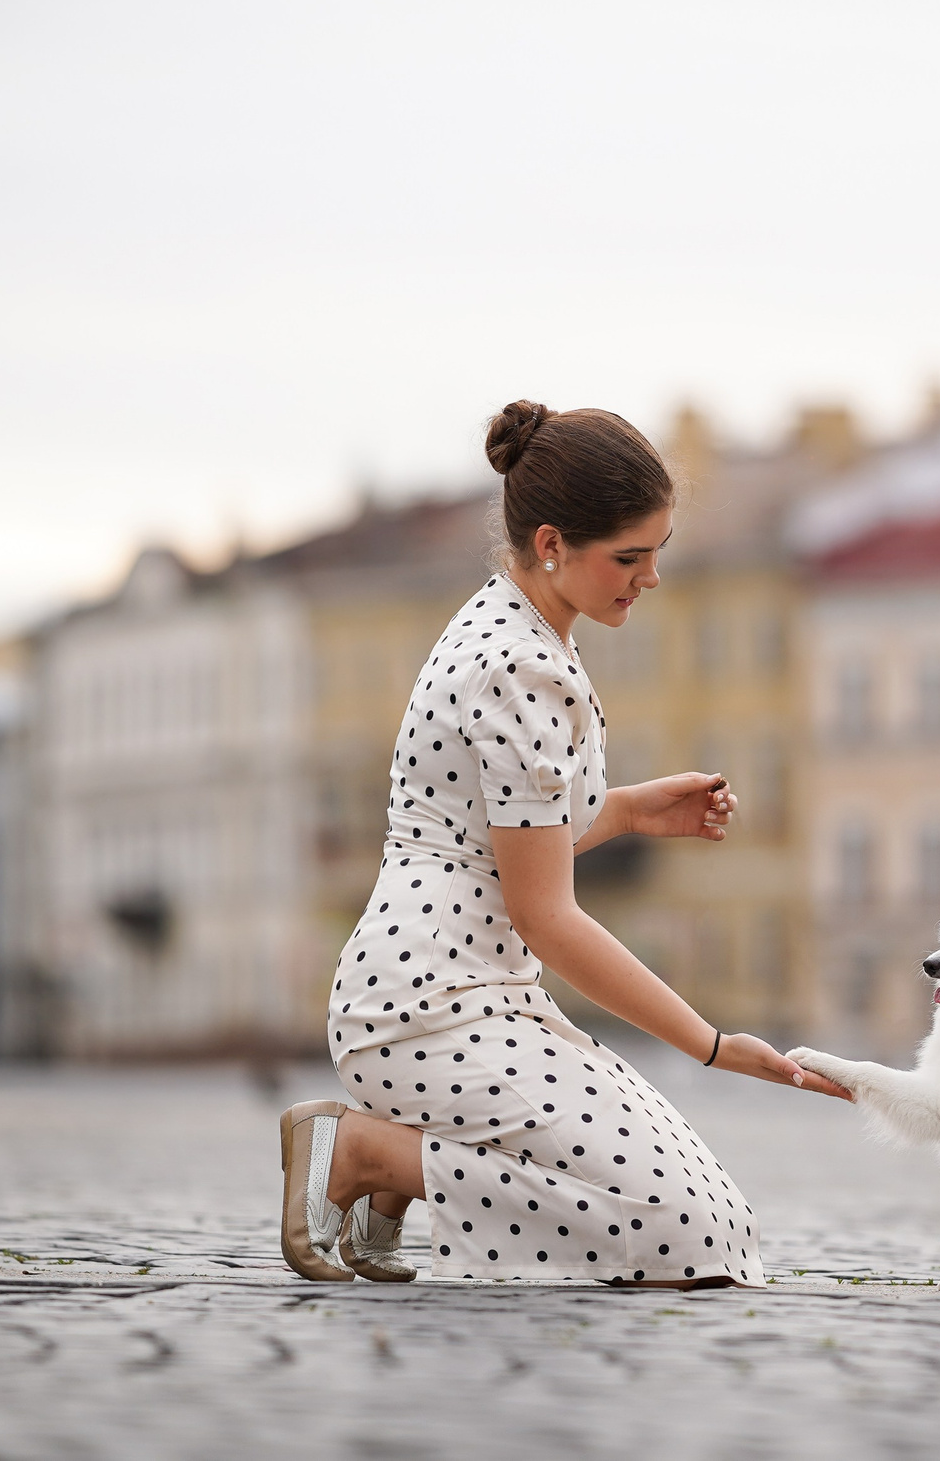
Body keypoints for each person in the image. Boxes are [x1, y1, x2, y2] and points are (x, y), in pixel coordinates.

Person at [278, 400, 847, 1289]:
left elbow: (494, 831)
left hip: (469, 996)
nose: (651, 577)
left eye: (658, 550)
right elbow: (546, 914)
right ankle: (365, 1154)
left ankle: (398, 1166)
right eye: (629, 556)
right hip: (425, 1010)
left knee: (721, 1226)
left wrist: (629, 812)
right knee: (684, 1234)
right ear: (551, 544)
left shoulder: (513, 626)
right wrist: (709, 1042)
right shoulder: (520, 664)